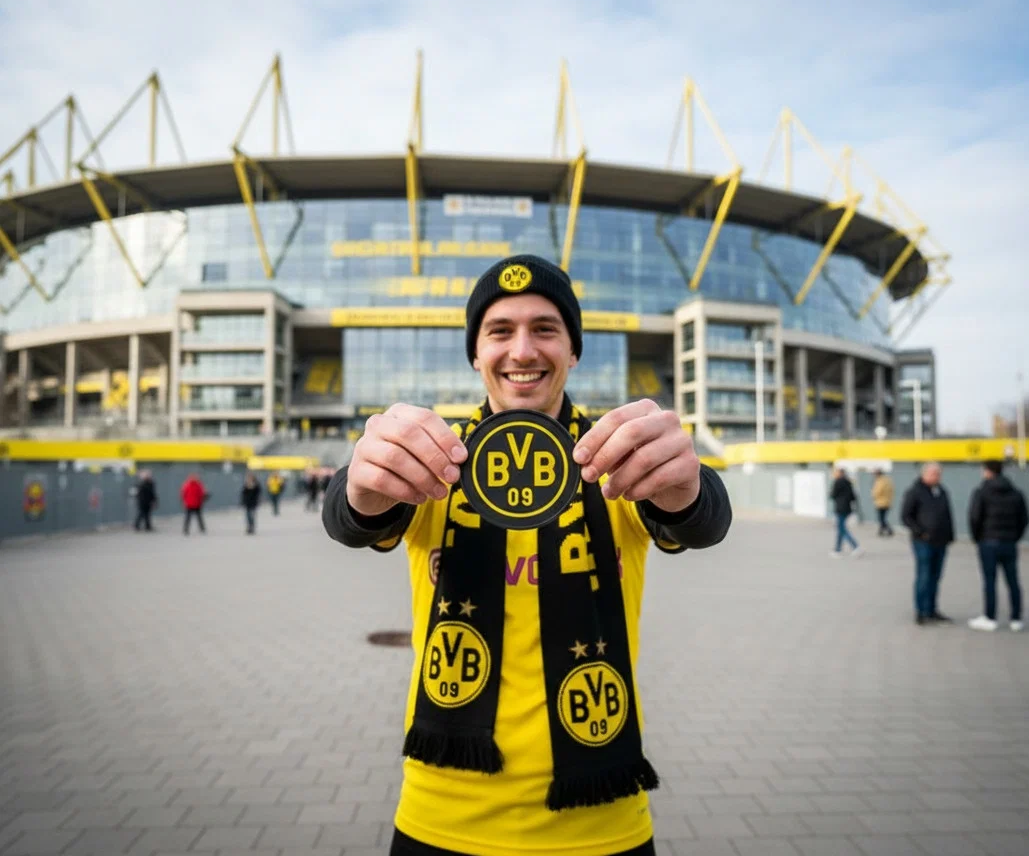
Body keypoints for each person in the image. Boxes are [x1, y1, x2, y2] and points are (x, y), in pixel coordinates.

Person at [323, 255, 732, 856]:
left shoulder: (616, 459)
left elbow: (701, 520)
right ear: (475, 354)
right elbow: (350, 518)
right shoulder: (439, 459)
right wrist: (358, 485)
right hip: (440, 814)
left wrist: (689, 486)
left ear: (573, 351)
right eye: (499, 331)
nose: (522, 350)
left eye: (545, 329)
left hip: (603, 823)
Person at [967, 460, 1027, 632]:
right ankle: (1016, 619)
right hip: (1009, 542)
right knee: (1013, 580)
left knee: (989, 581)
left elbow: (974, 517)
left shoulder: (981, 492)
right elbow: (1024, 518)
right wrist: (1014, 537)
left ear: (987, 471)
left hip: (988, 542)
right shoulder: (1016, 493)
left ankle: (990, 617)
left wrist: (978, 538)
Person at [901, 462, 954, 625]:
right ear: (924, 474)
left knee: (935, 577)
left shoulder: (942, 491)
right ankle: (921, 611)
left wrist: (950, 535)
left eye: (938, 474)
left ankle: (932, 609)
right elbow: (906, 516)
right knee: (924, 576)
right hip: (923, 542)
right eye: (933, 474)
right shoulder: (915, 491)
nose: (937, 477)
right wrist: (920, 532)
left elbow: (947, 514)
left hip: (941, 541)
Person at [829, 467, 862, 557]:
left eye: (836, 472)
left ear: (840, 473)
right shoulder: (848, 482)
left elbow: (832, 494)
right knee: (840, 529)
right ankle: (837, 549)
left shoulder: (838, 482)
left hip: (840, 508)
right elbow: (853, 497)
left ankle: (855, 546)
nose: (834, 474)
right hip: (847, 508)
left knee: (842, 529)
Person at [871, 469, 894, 537]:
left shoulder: (880, 481)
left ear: (878, 474)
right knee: (882, 517)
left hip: (881, 502)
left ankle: (889, 530)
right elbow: (892, 491)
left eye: (875, 474)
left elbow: (877, 491)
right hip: (887, 502)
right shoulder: (888, 480)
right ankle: (881, 531)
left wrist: (873, 494)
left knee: (881, 518)